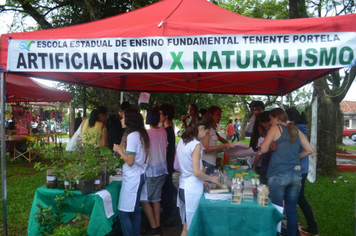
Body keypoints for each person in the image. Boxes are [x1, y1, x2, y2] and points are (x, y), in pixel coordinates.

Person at [260, 108, 313, 236]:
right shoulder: (296, 130)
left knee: (277, 209)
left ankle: (275, 234)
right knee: (291, 210)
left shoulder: (275, 128)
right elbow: (309, 150)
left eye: (271, 118)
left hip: (278, 175)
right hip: (296, 174)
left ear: (276, 117)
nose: (270, 121)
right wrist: (295, 158)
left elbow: (263, 149)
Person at [176, 116, 219, 236]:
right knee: (192, 228)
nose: (205, 136)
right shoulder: (196, 144)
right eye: (205, 133)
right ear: (201, 128)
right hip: (191, 190)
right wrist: (211, 178)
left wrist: (203, 181)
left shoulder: (182, 140)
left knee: (186, 227)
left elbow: (190, 169)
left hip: (183, 187)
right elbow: (196, 172)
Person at [113, 108, 150, 236]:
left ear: (129, 120)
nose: (121, 120)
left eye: (123, 117)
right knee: (134, 210)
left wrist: (119, 150)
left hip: (133, 177)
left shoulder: (132, 136)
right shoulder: (140, 134)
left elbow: (130, 161)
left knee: (123, 213)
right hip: (138, 174)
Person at [286, 107, 319, 236]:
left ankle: (310, 228)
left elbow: (306, 151)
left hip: (299, 170)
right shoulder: (300, 129)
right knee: (300, 199)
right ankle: (312, 227)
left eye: (285, 119)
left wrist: (292, 158)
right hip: (303, 169)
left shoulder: (297, 131)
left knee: (297, 200)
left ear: (292, 120)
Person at [141, 107, 168, 236]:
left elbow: (145, 153)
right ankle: (157, 226)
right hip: (162, 170)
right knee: (156, 199)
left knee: (144, 200)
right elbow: (166, 149)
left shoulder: (147, 134)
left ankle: (154, 227)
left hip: (151, 171)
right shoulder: (163, 131)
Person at [159, 103, 178, 226]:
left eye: (160, 114)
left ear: (166, 115)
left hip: (166, 163)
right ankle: (171, 209)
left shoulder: (166, 131)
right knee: (167, 186)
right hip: (168, 162)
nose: (159, 116)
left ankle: (170, 211)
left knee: (165, 188)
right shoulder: (168, 129)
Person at [201, 106, 234, 175]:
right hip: (206, 163)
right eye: (218, 114)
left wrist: (225, 148)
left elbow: (213, 148)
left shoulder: (212, 129)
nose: (220, 117)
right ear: (210, 115)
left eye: (220, 114)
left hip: (210, 163)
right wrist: (223, 146)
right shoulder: (206, 128)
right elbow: (206, 148)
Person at [258, 111, 272, 185]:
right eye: (262, 122)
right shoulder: (263, 134)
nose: (264, 124)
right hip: (264, 167)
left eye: (266, 122)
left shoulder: (276, 133)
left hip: (272, 169)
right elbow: (259, 151)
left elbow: (261, 150)